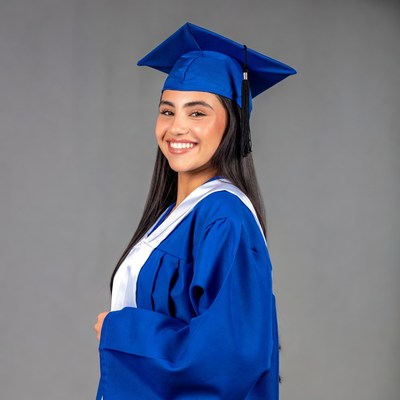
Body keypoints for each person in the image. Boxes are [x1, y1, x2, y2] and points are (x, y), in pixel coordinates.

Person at [94, 22, 295, 399]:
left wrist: (120, 331)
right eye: (167, 111)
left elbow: (228, 356)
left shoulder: (224, 217)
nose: (177, 127)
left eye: (198, 113)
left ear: (232, 124)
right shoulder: (176, 216)